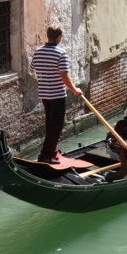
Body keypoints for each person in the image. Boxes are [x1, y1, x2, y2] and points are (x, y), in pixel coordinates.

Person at [29, 24, 82, 164]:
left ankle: (51, 151)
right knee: (57, 125)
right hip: (57, 94)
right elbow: (64, 75)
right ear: (59, 37)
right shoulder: (61, 53)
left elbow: (32, 69)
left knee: (50, 124)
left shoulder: (38, 52)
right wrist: (74, 90)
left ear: (48, 36)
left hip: (44, 94)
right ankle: (45, 156)